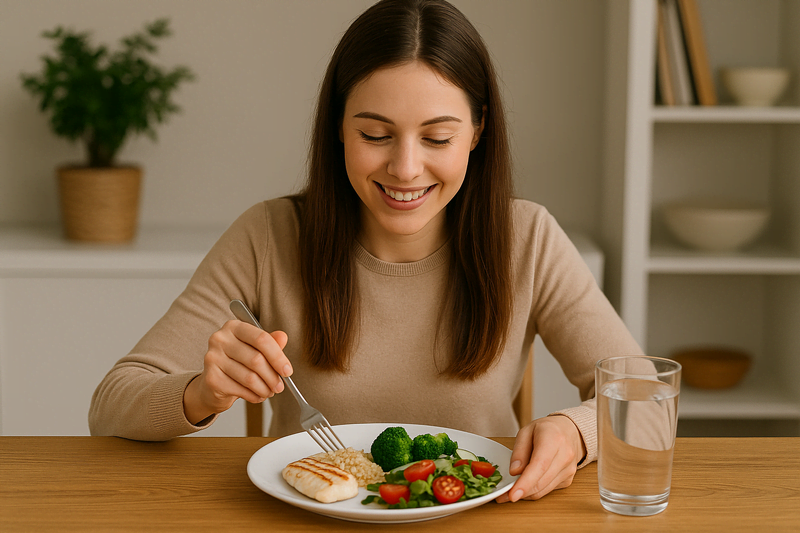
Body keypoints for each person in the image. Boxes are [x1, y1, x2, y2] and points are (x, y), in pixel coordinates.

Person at [89, 0, 641, 503]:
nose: (404, 168)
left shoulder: (528, 237)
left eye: (438, 138)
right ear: (338, 128)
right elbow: (112, 404)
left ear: (477, 131)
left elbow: (643, 395)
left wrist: (577, 432)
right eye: (375, 134)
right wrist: (201, 394)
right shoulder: (268, 234)